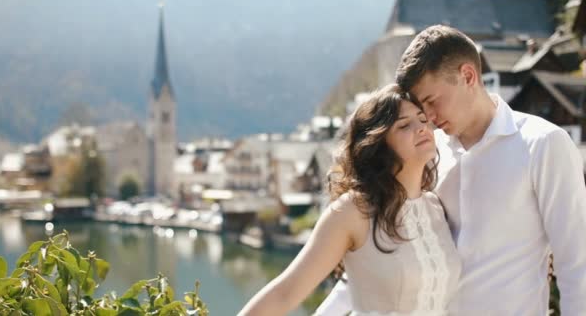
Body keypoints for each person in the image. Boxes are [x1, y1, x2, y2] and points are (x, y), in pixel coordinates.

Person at [317, 25, 586, 315]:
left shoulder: (543, 144)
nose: (428, 117)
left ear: (468, 76)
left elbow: (577, 265)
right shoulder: (426, 155)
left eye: (432, 101)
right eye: (421, 107)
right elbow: (380, 253)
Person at [239, 84, 461, 315]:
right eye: (404, 125)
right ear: (378, 146)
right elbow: (284, 294)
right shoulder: (353, 211)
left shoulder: (436, 207)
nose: (422, 128)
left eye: (423, 119)